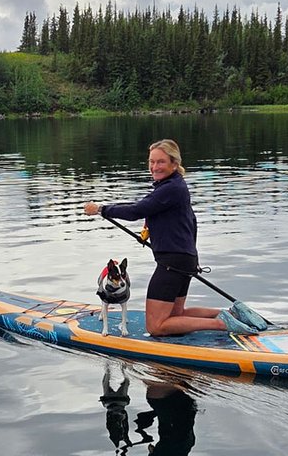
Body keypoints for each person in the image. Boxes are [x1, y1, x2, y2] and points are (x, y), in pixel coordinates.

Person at [82, 139, 257, 337]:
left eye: (160, 162)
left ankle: (222, 324)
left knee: (156, 326)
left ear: (174, 163)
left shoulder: (170, 189)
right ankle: (232, 313)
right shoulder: (175, 186)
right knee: (176, 314)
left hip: (171, 263)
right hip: (184, 260)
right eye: (151, 162)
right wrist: (192, 258)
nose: (154, 167)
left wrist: (101, 209)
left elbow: (136, 210)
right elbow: (190, 222)